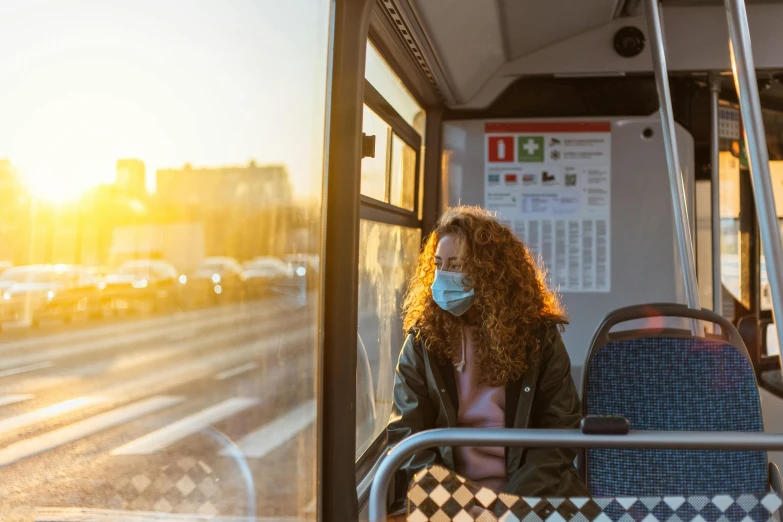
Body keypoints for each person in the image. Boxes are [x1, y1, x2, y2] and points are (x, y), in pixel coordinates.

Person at [386, 206, 587, 508]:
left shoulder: (538, 338)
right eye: (438, 265)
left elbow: (561, 430)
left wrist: (509, 504)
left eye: (455, 266)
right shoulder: (423, 342)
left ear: (489, 273)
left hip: (530, 494)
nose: (442, 277)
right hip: (447, 500)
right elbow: (406, 436)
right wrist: (458, 504)